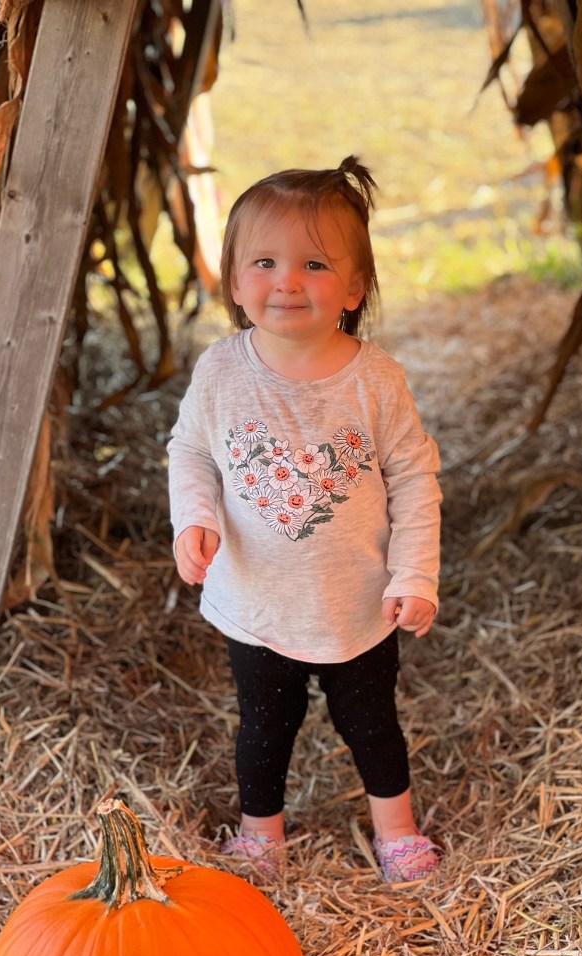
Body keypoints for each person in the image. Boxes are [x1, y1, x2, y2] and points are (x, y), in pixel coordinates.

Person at [167, 155, 442, 882]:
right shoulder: (221, 373)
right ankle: (261, 833)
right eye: (265, 262)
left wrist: (414, 574)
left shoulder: (375, 381)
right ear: (234, 281)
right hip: (257, 602)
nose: (287, 281)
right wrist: (194, 517)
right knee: (265, 725)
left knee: (371, 723)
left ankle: (397, 830)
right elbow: (191, 449)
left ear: (355, 287)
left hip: (356, 602)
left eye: (314, 264)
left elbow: (414, 478)